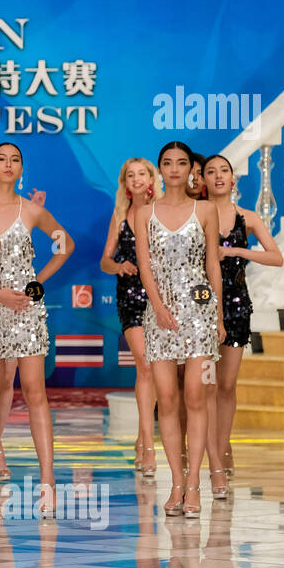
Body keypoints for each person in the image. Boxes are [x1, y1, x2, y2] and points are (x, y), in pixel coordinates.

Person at [0, 142, 73, 520]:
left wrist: (36, 283)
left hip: (26, 310)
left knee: (35, 392)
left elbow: (64, 244)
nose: (8, 165)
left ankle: (47, 481)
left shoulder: (33, 210)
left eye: (15, 160)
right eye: (1, 159)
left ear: (21, 168)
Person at [135, 141, 225, 520]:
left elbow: (213, 265)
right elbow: (144, 265)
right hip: (159, 316)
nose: (174, 169)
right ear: (159, 168)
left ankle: (194, 486)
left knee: (195, 397)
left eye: (181, 163)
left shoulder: (205, 210)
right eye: (167, 163)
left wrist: (217, 316)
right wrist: (157, 306)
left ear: (192, 170)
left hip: (200, 315)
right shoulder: (143, 213)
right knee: (166, 400)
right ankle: (176, 481)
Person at [202, 154, 282, 489]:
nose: (218, 177)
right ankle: (214, 458)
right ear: (202, 180)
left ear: (233, 180)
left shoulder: (246, 218)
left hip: (237, 306)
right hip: (202, 309)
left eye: (224, 171)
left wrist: (236, 252)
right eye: (211, 172)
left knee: (227, 385)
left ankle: (222, 444)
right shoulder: (197, 214)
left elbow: (276, 257)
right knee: (205, 386)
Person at [99, 157, 160, 477]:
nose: (137, 179)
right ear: (125, 183)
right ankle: (148, 441)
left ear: (152, 177)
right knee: (145, 365)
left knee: (160, 370)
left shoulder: (165, 210)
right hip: (132, 297)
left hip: (163, 298)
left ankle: (143, 437)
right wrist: (119, 266)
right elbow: (105, 261)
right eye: (130, 175)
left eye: (142, 173)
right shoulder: (120, 215)